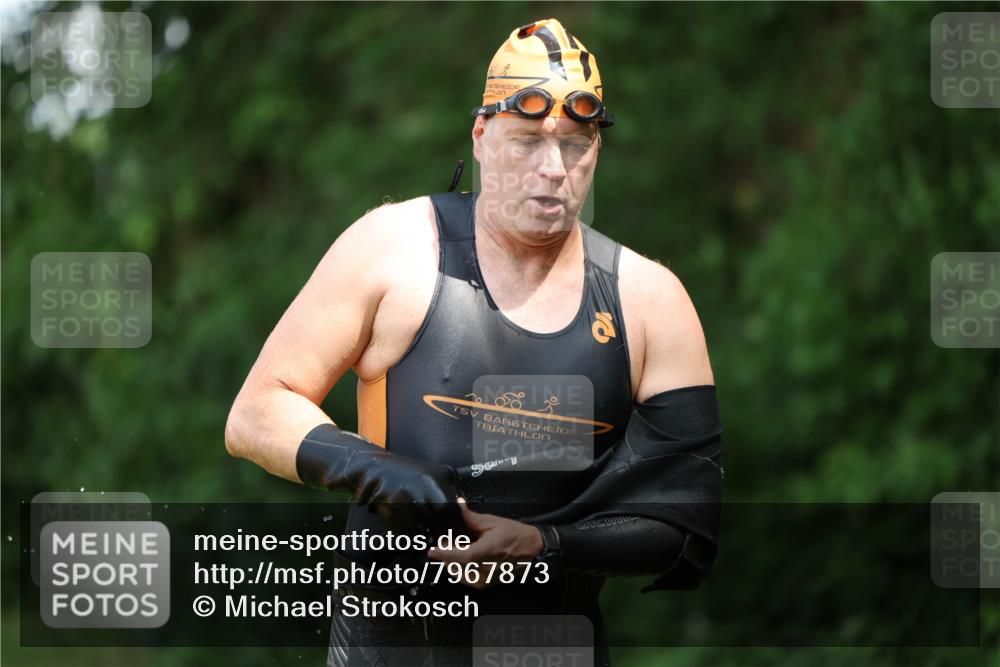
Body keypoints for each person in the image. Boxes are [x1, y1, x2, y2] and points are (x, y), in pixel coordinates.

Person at [226, 18, 723, 666]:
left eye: (575, 144)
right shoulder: (392, 251)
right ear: (482, 135)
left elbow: (683, 522)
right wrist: (376, 468)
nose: (553, 169)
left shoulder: (650, 301)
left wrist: (545, 544)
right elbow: (257, 410)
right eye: (527, 141)